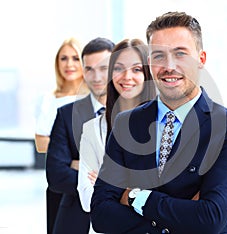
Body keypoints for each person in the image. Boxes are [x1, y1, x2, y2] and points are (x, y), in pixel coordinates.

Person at [91, 11, 227, 234]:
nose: (169, 66)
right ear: (149, 63)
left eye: (180, 54)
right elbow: (100, 215)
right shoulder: (126, 123)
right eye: (158, 56)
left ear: (201, 59)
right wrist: (182, 216)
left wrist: (136, 196)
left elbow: (210, 218)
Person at [77, 38, 156, 232]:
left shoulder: (164, 122)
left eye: (137, 69)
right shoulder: (92, 129)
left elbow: (175, 194)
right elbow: (88, 200)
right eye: (119, 68)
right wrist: (143, 195)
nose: (126, 76)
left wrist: (112, 188)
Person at [46, 37, 114, 234]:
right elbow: (56, 175)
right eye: (89, 69)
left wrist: (83, 167)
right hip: (75, 220)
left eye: (103, 68)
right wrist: (110, 182)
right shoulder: (66, 115)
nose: (96, 76)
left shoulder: (134, 114)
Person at [34, 37, 89, 234]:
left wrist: (75, 160)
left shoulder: (95, 98)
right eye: (63, 58)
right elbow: (40, 143)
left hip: (91, 178)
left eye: (75, 58)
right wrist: (66, 159)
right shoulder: (49, 99)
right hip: (61, 180)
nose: (69, 64)